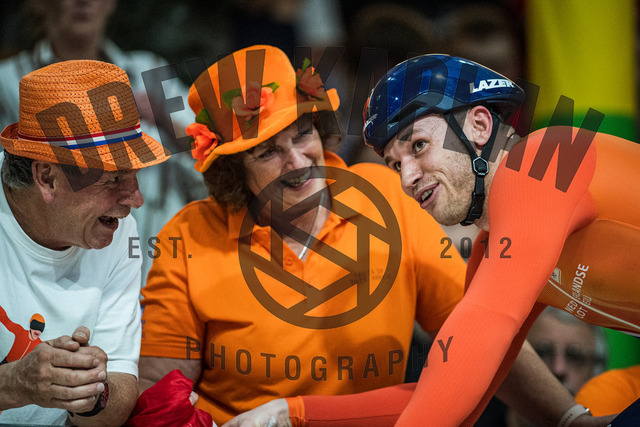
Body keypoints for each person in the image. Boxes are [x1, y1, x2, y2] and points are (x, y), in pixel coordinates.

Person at [225, 54, 633, 426]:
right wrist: (292, 414)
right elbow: (449, 390)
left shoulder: (544, 160)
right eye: (394, 164)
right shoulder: (491, 250)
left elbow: (468, 354)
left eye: (418, 146)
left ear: (479, 125)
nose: (406, 178)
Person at [136, 44, 469, 426]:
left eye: (301, 134)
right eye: (267, 152)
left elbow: (474, 338)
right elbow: (158, 391)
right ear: (233, 170)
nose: (296, 162)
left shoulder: (387, 196)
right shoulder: (189, 236)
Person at [0, 59, 170, 425]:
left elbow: (121, 382)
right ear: (47, 177)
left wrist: (92, 393)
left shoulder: (118, 230)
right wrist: (13, 384)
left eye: (135, 175)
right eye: (113, 178)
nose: (136, 199)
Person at [0, 0, 207, 283]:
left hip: (157, 254)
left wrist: (163, 117)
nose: (84, 2)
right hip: (58, 266)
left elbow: (213, 155)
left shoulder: (148, 70)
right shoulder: (9, 82)